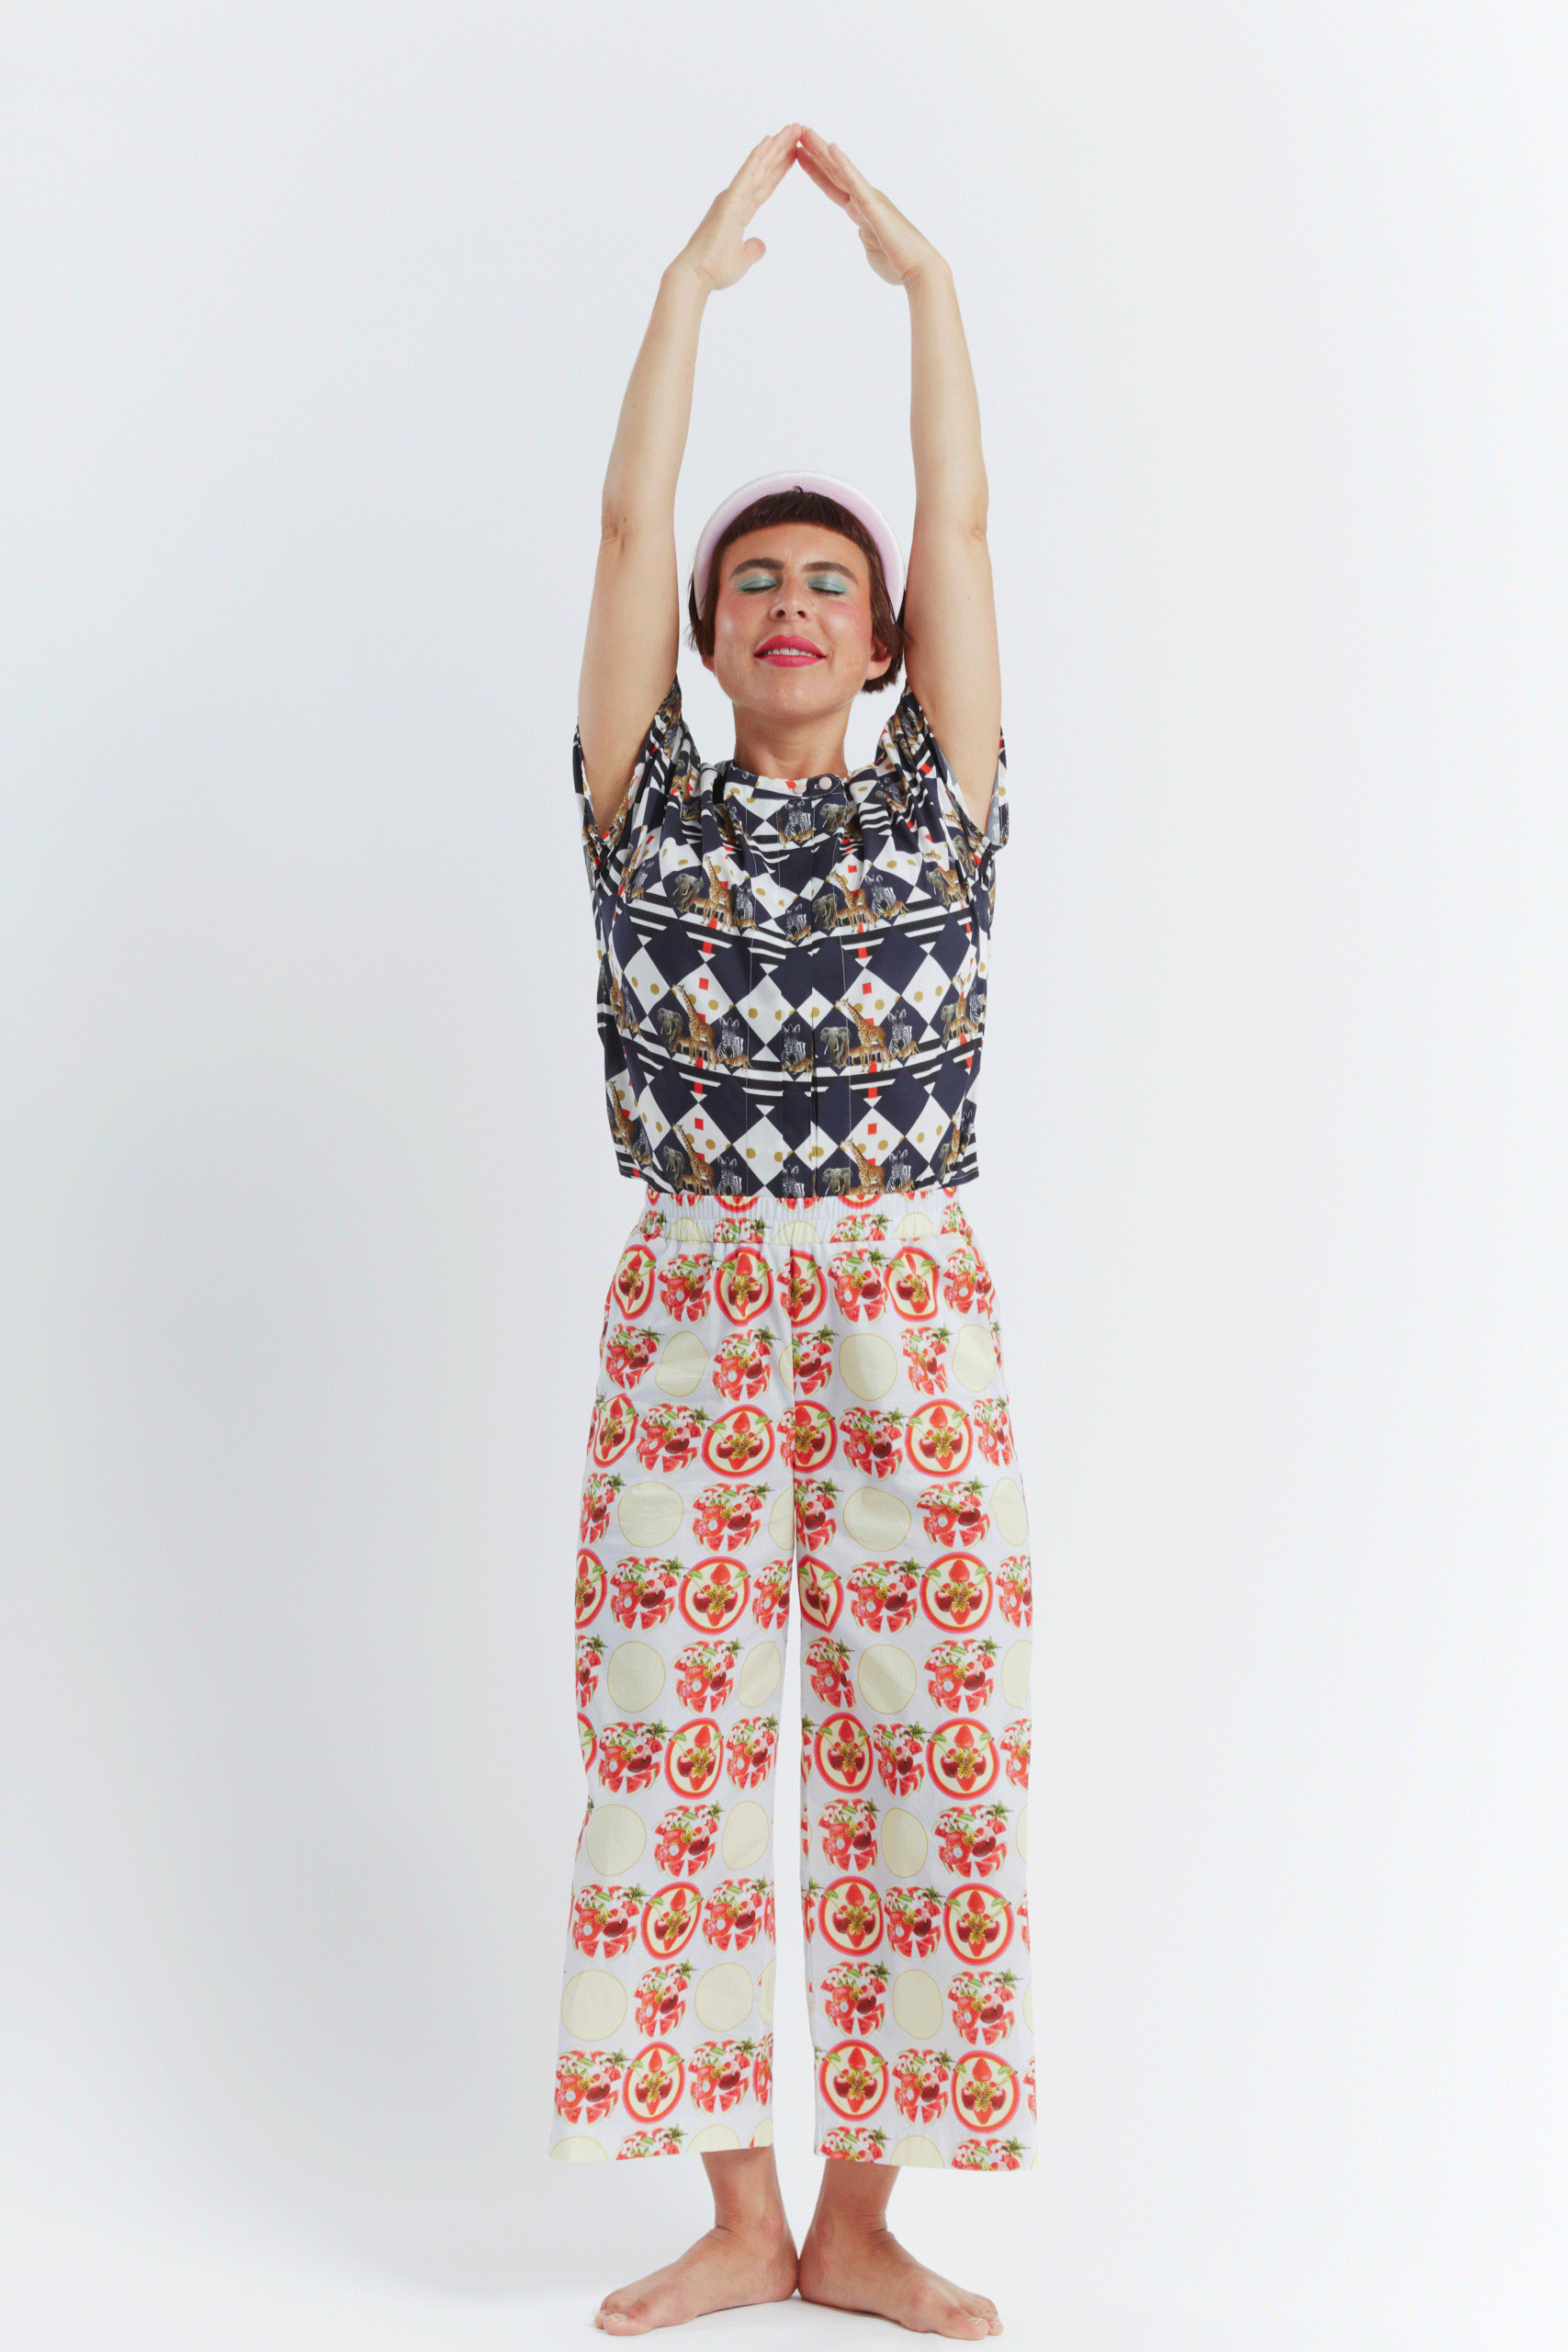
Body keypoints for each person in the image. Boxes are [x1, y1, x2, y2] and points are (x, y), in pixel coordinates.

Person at [556, 126, 1033, 2339]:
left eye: (829, 585)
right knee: (668, 1740)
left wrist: (925, 293)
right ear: (706, 633)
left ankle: (863, 2214)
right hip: (689, 1300)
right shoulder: (643, 802)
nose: (790, 603)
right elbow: (626, 523)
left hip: (902, 1302)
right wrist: (682, 292)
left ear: (882, 637)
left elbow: (964, 519)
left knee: (927, 1740)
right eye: (755, 581)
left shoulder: (942, 796)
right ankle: (737, 2211)